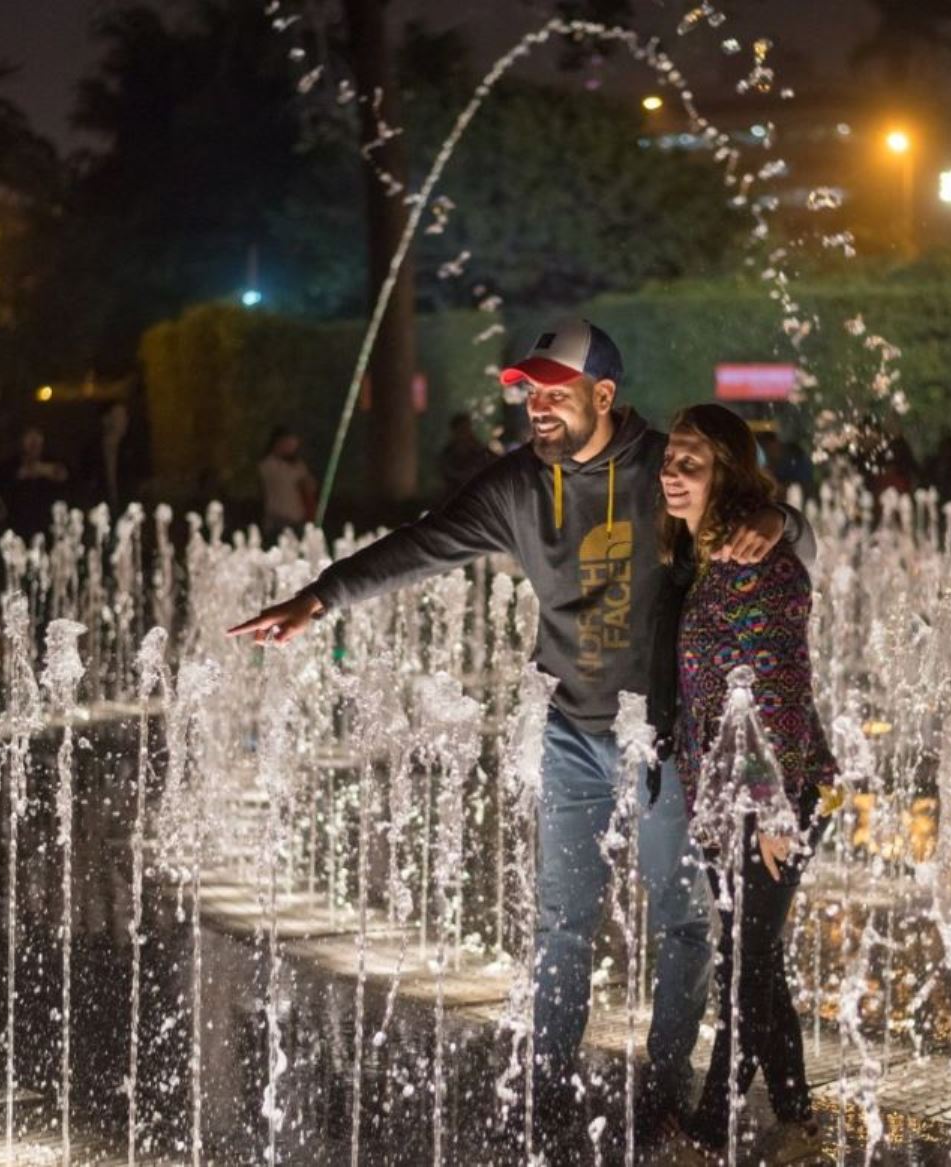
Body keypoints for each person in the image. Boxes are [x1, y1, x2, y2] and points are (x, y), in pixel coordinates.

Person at [228, 318, 802, 1152]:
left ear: (603, 396)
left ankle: (665, 1082)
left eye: (554, 393)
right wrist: (321, 597)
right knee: (561, 921)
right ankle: (548, 1082)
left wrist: (781, 526)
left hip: (667, 737)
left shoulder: (663, 467)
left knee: (681, 922)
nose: (537, 407)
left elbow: (766, 525)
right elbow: (423, 543)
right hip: (570, 727)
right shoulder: (516, 488)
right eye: (529, 393)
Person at [657, 404, 836, 1161]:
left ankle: (711, 1126)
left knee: (745, 966)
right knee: (755, 958)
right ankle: (796, 1117)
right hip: (726, 796)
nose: (672, 472)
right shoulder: (707, 552)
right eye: (669, 458)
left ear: (727, 470)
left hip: (771, 797)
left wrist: (772, 811)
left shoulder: (755, 562)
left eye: (690, 460)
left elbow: (778, 693)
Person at [5, 424, 68, 536]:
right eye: (30, 441)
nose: (33, 445)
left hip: (47, 522)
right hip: (19, 523)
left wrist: (45, 471)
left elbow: (64, 478)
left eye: (37, 441)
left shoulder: (52, 462)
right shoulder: (11, 465)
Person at [257, 427, 317, 539]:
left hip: (298, 519)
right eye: (289, 444)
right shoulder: (268, 465)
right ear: (279, 443)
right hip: (278, 520)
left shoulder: (297, 465)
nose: (292, 448)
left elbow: (310, 487)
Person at [436, 411, 495, 498]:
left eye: (467, 428)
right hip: (454, 497)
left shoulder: (480, 451)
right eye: (462, 429)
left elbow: (493, 462)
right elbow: (447, 473)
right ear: (455, 431)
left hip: (477, 495)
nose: (466, 432)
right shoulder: (447, 454)